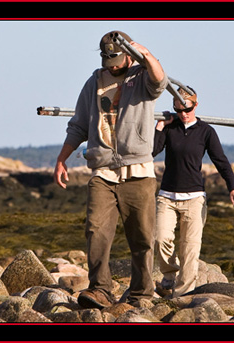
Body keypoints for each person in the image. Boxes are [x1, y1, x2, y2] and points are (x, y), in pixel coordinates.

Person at [54, 31, 168, 308]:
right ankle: (100, 290)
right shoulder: (94, 82)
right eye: (107, 58)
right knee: (96, 231)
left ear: (128, 55)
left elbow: (161, 82)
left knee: (142, 236)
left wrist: (148, 55)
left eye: (116, 58)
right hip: (102, 171)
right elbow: (79, 125)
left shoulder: (141, 77)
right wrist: (62, 159)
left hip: (138, 171)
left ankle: (141, 294)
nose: (111, 64)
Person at [153, 87, 234, 298]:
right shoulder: (169, 127)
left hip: (195, 199)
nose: (184, 114)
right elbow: (151, 151)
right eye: (179, 110)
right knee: (160, 238)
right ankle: (169, 274)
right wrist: (159, 127)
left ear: (196, 105)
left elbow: (221, 161)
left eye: (188, 109)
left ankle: (182, 297)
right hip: (167, 196)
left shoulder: (206, 131)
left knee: (190, 249)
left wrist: (233, 188)